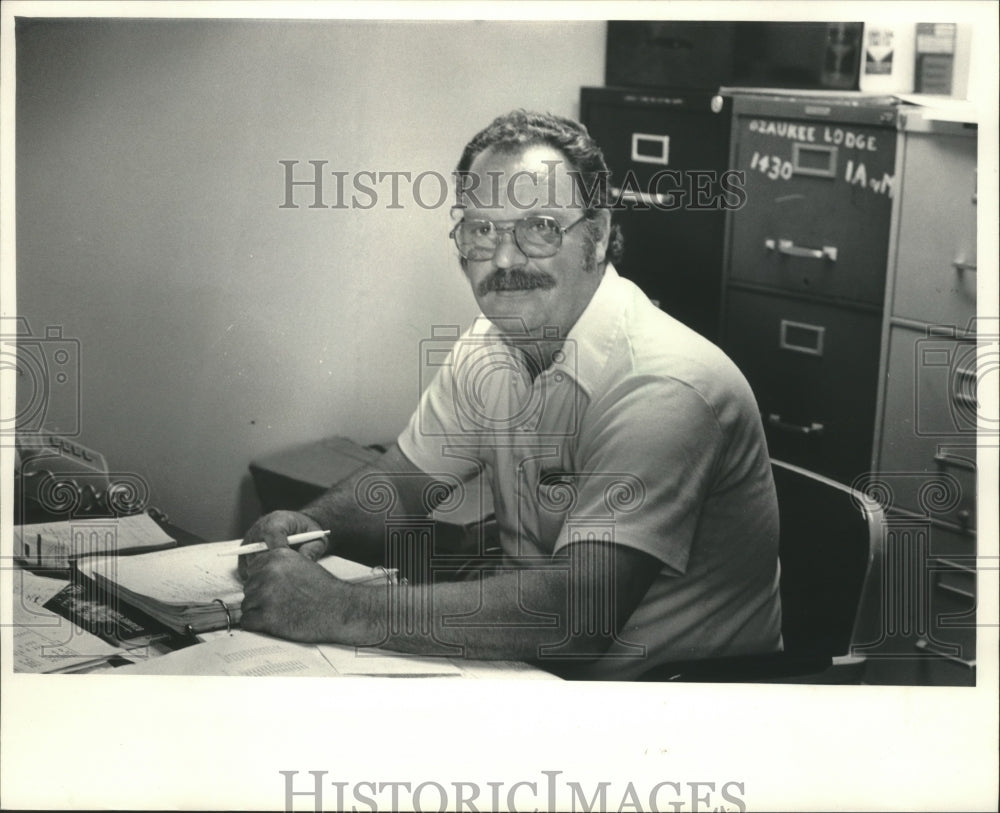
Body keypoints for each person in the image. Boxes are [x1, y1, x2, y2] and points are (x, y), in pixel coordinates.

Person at [239, 110, 781, 680]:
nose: (502, 260)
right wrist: (309, 525)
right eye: (481, 230)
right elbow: (398, 489)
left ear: (595, 236)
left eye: (539, 227)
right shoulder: (490, 346)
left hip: (660, 708)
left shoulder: (663, 383)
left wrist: (342, 608)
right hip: (533, 675)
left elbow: (580, 617)